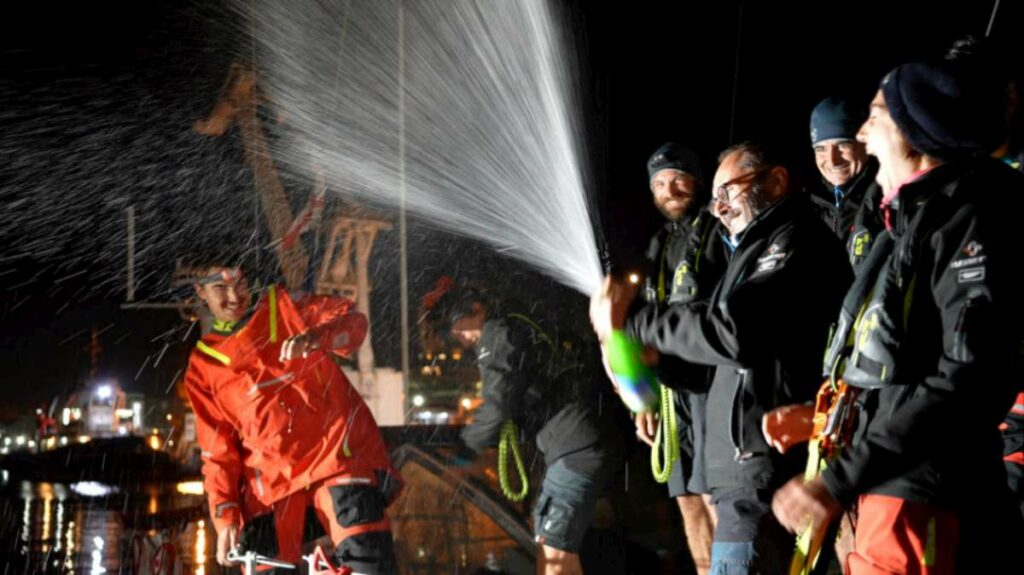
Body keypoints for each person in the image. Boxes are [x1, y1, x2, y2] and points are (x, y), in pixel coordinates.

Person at [771, 57, 1024, 573]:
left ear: (916, 133)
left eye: (876, 115)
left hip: (923, 494)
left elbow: (970, 377)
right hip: (888, 488)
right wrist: (825, 425)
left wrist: (837, 481)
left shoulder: (970, 217)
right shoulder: (909, 222)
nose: (862, 133)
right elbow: (893, 364)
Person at [592, 141, 851, 574]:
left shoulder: (795, 240)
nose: (720, 209)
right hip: (740, 475)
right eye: (716, 200)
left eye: (727, 193)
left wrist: (635, 321)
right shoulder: (750, 249)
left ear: (776, 180)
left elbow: (736, 333)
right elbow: (723, 361)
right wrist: (654, 361)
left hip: (766, 470)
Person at [183, 255, 399, 573]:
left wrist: (316, 338)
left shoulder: (287, 307)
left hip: (335, 462)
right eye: (220, 288)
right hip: (270, 486)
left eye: (240, 284)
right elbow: (218, 452)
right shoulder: (204, 367)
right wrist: (225, 514)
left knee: (368, 559)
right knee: (261, 563)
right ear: (200, 292)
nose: (234, 296)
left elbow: (354, 323)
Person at [422, 281, 621, 575]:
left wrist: (464, 455)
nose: (459, 338)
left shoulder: (496, 333)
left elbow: (496, 403)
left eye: (459, 327)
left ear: (477, 309)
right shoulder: (524, 320)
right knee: (585, 543)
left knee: (552, 547)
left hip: (574, 447)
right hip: (591, 435)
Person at [634, 142, 723, 574]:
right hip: (672, 395)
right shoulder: (656, 246)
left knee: (717, 498)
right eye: (658, 183)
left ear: (698, 181)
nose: (668, 189)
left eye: (677, 179)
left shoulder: (719, 230)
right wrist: (645, 399)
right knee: (687, 502)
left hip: (713, 388)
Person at [807, 96, 886, 269]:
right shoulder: (805, 207)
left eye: (842, 145)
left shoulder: (888, 197)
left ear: (865, 143)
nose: (832, 160)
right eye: (820, 149)